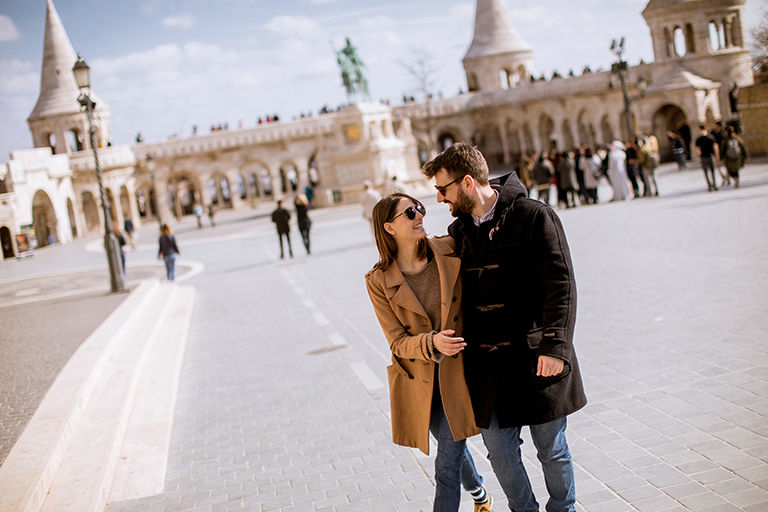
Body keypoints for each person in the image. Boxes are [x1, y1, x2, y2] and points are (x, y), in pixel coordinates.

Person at [423, 143, 586, 512]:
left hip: (536, 356)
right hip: (488, 369)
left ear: (466, 183)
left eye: (442, 189)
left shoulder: (534, 215)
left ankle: (564, 509)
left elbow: (561, 285)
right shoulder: (459, 232)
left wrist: (555, 348)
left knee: (552, 449)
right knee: (499, 451)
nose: (438, 198)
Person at [365, 192, 493, 512]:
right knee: (453, 450)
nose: (420, 215)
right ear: (389, 228)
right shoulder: (378, 281)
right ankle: (480, 495)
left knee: (445, 466)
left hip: (459, 375)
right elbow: (396, 341)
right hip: (420, 382)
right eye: (409, 213)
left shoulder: (447, 250)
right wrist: (430, 342)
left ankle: (475, 498)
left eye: (419, 209)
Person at [694, 125, 719, 192]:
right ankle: (709, 185)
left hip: (710, 156)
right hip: (704, 157)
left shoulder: (710, 137)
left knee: (712, 171)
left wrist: (717, 155)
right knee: (706, 172)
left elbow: (715, 146)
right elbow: (697, 148)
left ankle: (714, 184)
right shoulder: (699, 139)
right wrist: (698, 154)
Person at [710, 121, 731, 186]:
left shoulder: (723, 135)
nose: (715, 127)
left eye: (716, 126)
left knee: (725, 167)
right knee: (719, 168)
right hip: (719, 154)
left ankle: (726, 179)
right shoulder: (715, 134)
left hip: (723, 153)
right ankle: (725, 178)